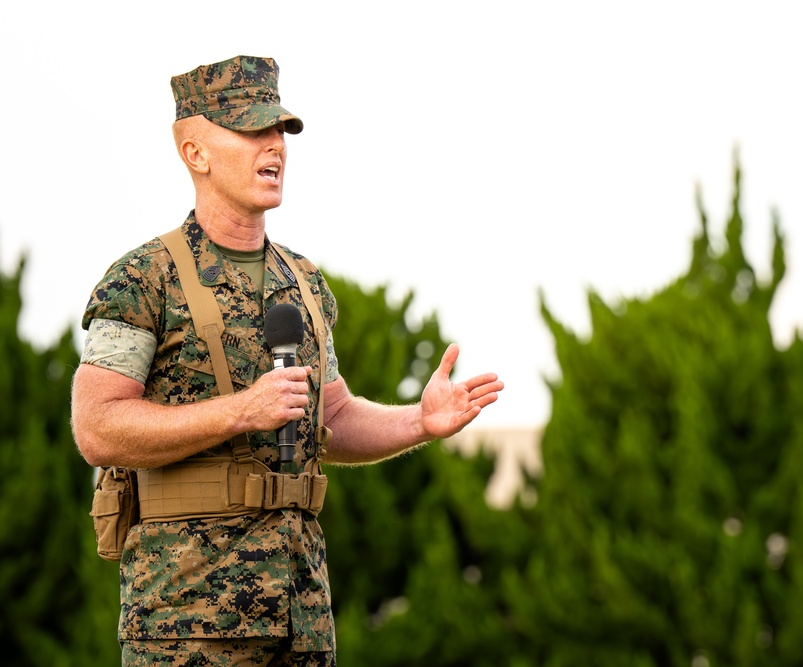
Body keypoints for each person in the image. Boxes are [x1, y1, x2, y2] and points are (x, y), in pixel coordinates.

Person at [71, 55, 503, 667]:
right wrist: (240, 412)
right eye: (251, 130)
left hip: (302, 614)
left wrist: (419, 422)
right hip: (187, 621)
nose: (273, 145)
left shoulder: (302, 283)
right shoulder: (143, 280)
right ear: (194, 151)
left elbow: (333, 417)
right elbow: (97, 427)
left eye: (279, 130)